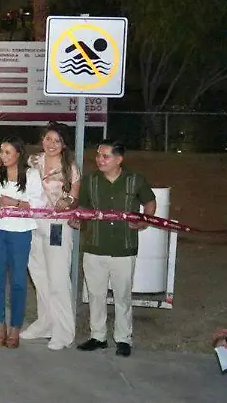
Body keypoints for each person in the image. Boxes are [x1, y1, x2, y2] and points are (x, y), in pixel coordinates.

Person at [72, 140, 156, 358]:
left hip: (124, 248)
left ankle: (123, 339)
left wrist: (144, 220)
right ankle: (97, 336)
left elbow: (150, 201)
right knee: (95, 295)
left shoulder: (135, 180)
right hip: (94, 246)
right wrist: (77, 219)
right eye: (98, 155)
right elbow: (82, 207)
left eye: (105, 156)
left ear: (119, 159)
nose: (99, 160)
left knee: (123, 296)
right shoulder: (90, 180)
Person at [22, 122, 81, 350]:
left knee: (58, 278)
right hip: (33, 225)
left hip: (57, 226)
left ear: (64, 144)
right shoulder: (33, 161)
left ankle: (64, 331)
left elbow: (74, 197)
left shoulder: (70, 168)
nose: (51, 144)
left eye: (57, 140)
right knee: (39, 276)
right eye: (48, 139)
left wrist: (68, 201)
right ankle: (45, 323)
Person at [0, 136, 45, 349]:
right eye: (1, 151)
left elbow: (38, 204)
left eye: (8, 152)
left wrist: (15, 203)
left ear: (19, 154)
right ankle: (0, 326)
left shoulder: (31, 174)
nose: (3, 156)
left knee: (18, 281)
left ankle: (15, 327)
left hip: (20, 232)